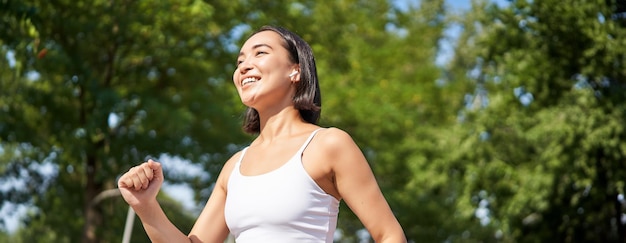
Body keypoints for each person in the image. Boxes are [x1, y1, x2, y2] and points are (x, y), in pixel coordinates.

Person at [118, 25, 406, 243]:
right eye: (240, 60)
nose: (244, 65)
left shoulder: (328, 144)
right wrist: (146, 206)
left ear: (296, 71)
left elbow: (389, 234)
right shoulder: (234, 166)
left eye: (260, 53)